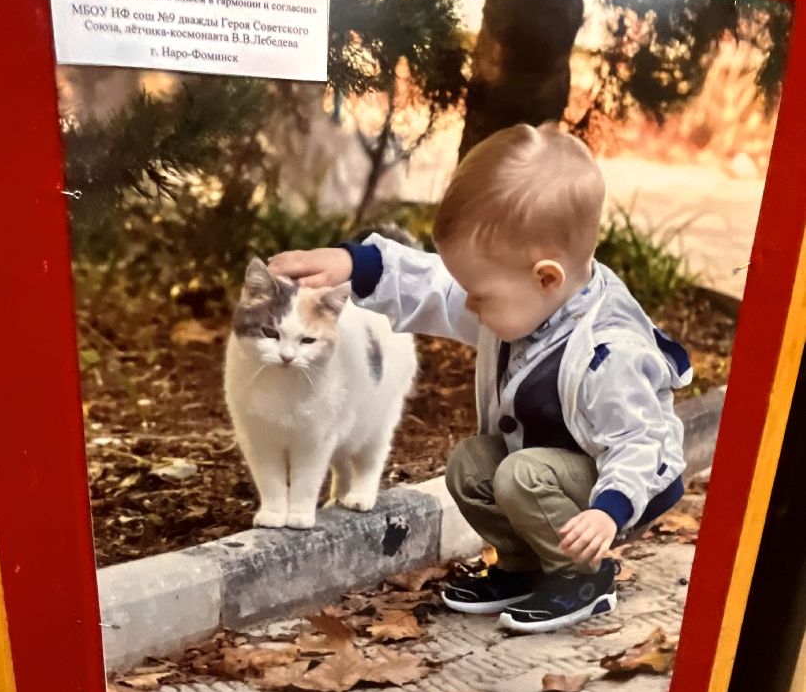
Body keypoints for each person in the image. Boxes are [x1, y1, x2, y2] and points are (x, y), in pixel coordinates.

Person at [267, 123, 692, 633]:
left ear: (546, 277)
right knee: (471, 464)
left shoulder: (608, 352)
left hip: (622, 485)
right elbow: (434, 286)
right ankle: (522, 567)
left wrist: (609, 511)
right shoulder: (524, 298)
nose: (467, 303)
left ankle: (582, 577)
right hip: (555, 469)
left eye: (480, 293)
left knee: (521, 476)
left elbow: (640, 442)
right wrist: (354, 264)